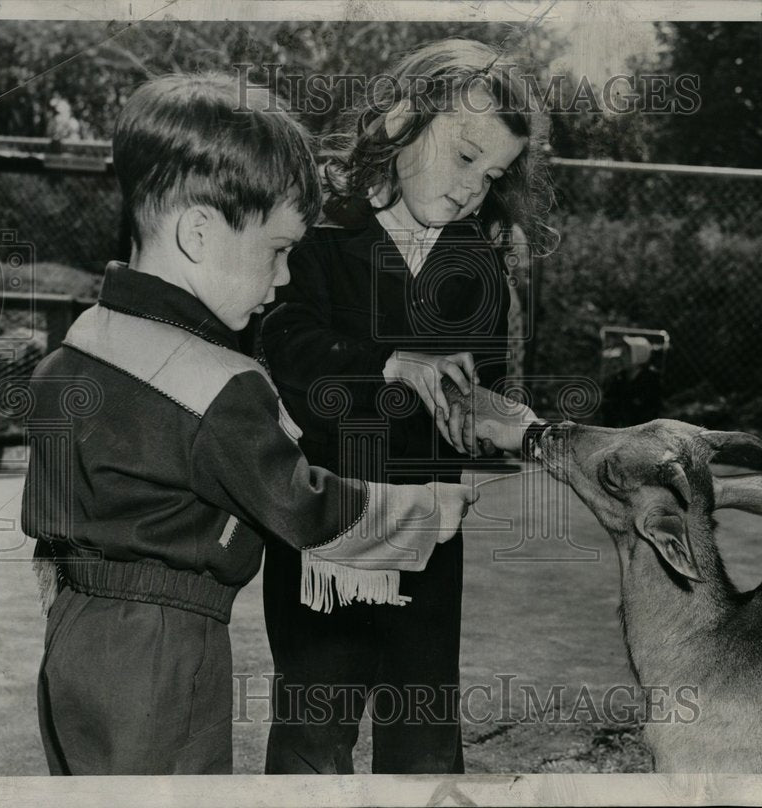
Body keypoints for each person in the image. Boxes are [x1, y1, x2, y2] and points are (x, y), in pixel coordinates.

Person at [21, 71, 476, 776]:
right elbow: (306, 509)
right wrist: (427, 512)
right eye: (278, 249)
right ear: (200, 233)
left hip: (70, 639)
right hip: (167, 652)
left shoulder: (74, 353)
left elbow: (45, 518)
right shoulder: (218, 386)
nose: (286, 278)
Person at [260, 38, 556, 774]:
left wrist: (524, 432)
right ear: (398, 122)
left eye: (489, 178)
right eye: (463, 158)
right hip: (325, 530)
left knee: (424, 744)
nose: (469, 190)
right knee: (312, 738)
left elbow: (472, 402)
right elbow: (287, 343)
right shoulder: (321, 230)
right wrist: (389, 363)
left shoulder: (475, 263)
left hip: (428, 541)